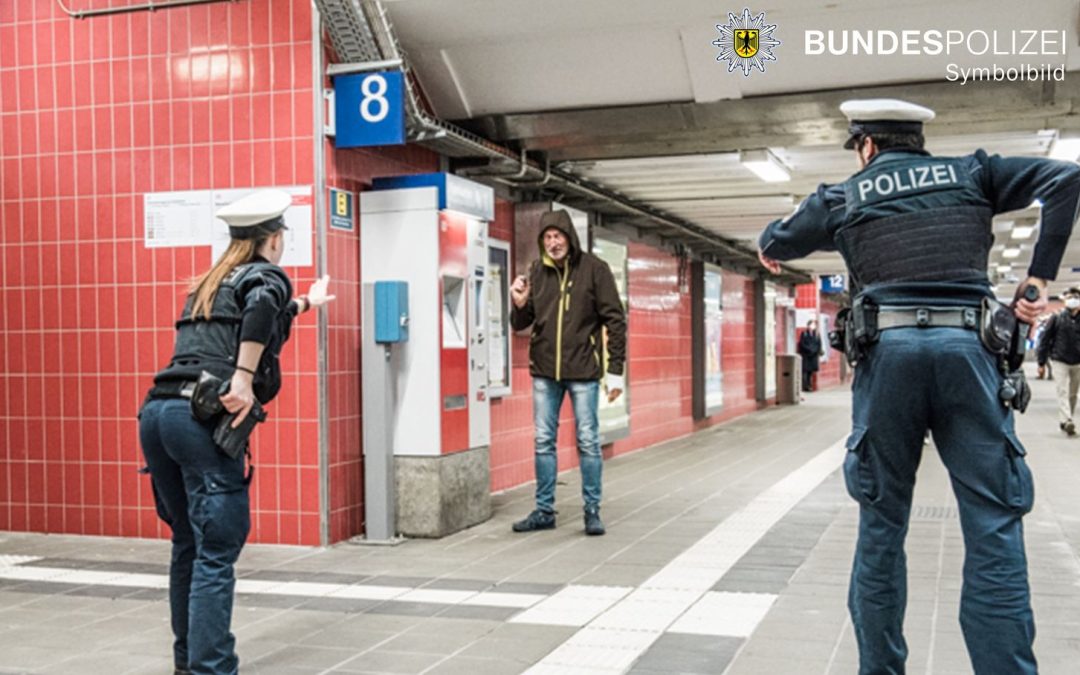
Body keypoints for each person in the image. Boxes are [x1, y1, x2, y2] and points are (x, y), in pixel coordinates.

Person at [757, 98, 1080, 674]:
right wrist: (1037, 280)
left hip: (888, 360)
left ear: (866, 145)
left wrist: (770, 245)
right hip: (971, 357)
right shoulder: (973, 172)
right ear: (917, 141)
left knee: (881, 528)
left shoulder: (845, 195)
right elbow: (1066, 178)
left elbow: (777, 239)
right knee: (993, 526)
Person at [138, 190, 335, 675]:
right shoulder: (267, 275)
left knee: (187, 540)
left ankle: (189, 662)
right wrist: (243, 379)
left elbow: (258, 313)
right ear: (272, 239)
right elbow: (264, 309)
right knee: (217, 550)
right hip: (200, 419)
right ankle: (212, 667)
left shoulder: (210, 280)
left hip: (158, 413)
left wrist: (308, 301)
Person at [509, 210, 627, 536]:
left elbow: (615, 320)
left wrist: (615, 371)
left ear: (569, 237)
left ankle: (592, 510)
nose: (552, 242)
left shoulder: (594, 270)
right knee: (543, 440)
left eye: (557, 236)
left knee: (588, 441)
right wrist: (518, 304)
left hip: (584, 372)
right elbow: (523, 323)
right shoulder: (537, 272)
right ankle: (544, 510)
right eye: (546, 238)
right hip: (545, 371)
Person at [1036, 286, 1080, 435]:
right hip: (1060, 359)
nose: (1072, 300)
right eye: (1069, 298)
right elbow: (1045, 340)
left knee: (1073, 394)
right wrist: (1041, 362)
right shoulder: (1056, 318)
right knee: (1062, 390)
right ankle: (1067, 420)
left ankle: (1066, 418)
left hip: (1078, 361)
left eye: (1075, 297)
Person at [797, 318, 823, 392]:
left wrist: (814, 350)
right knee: (805, 371)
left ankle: (810, 385)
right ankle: (805, 386)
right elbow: (802, 344)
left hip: (813, 356)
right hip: (806, 355)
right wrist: (809, 349)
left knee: (810, 372)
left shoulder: (817, 334)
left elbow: (819, 344)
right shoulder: (804, 333)